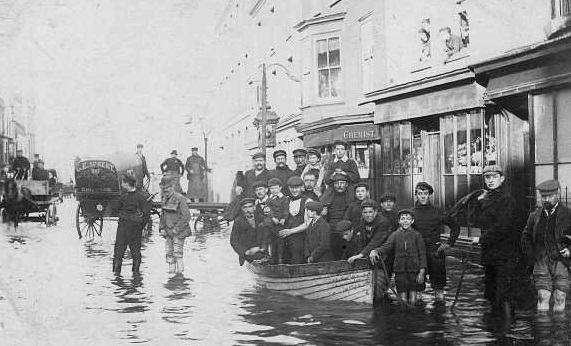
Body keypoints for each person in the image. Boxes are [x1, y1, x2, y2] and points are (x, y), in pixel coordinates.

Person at [474, 165, 519, 315]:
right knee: (491, 291)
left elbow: (502, 227)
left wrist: (481, 239)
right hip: (490, 254)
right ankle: (494, 329)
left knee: (504, 293)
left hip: (505, 254)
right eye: (487, 177)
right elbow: (475, 220)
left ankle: (507, 330)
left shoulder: (507, 200)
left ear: (502, 179)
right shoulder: (485, 198)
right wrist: (478, 203)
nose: (491, 180)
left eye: (494, 177)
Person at [521, 179, 571, 312]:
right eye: (543, 197)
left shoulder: (568, 215)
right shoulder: (535, 216)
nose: (546, 200)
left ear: (558, 194)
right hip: (541, 261)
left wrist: (570, 251)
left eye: (549, 196)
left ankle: (558, 330)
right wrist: (532, 257)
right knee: (543, 296)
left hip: (561, 262)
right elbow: (525, 237)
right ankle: (543, 331)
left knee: (560, 297)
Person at [412, 181, 460, 304]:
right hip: (416, 253)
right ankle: (417, 317)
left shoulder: (437, 211)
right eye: (420, 193)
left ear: (429, 195)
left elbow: (455, 226)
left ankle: (439, 317)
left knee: (439, 289)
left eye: (425, 193)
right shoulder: (410, 213)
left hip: (435, 252)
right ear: (416, 195)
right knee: (417, 290)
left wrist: (449, 243)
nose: (422, 196)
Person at [370, 209, 427, 306]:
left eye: (408, 219)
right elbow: (386, 247)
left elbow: (422, 254)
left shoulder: (417, 235)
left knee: (413, 298)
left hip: (414, 270)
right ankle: (402, 317)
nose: (405, 221)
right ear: (399, 221)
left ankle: (414, 317)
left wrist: (422, 272)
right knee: (402, 298)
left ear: (412, 221)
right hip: (400, 271)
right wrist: (376, 251)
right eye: (403, 219)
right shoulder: (395, 235)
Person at [113, 174, 152, 275]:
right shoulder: (139, 197)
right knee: (131, 252)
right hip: (131, 227)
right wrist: (140, 226)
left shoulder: (126, 197)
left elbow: (146, 214)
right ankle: (135, 278)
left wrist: (139, 226)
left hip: (125, 227)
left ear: (127, 184)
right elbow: (146, 215)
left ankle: (117, 278)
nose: (121, 184)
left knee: (121, 253)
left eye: (123, 183)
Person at [158, 175, 192, 275]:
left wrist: (176, 230)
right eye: (163, 188)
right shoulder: (164, 198)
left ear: (172, 186)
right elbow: (162, 215)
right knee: (169, 255)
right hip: (168, 232)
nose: (165, 190)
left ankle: (179, 277)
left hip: (179, 232)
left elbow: (186, 216)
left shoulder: (180, 198)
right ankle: (171, 275)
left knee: (178, 255)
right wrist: (161, 228)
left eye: (167, 188)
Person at [278, 176, 313, 264]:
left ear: (302, 187)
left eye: (297, 188)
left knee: (297, 260)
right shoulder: (286, 200)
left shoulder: (307, 201)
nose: (294, 190)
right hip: (287, 237)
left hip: (301, 237)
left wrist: (291, 231)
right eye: (292, 188)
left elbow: (307, 224)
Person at [347, 200, 392, 264]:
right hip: (369, 252)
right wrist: (358, 255)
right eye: (365, 212)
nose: (367, 215)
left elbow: (376, 241)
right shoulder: (362, 220)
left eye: (370, 212)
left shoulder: (383, 222)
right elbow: (362, 239)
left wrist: (361, 255)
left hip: (384, 253)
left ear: (375, 212)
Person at [321, 172, 353, 260]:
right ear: (333, 185)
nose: (339, 185)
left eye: (342, 183)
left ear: (346, 185)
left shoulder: (350, 197)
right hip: (331, 229)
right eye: (337, 183)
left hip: (346, 229)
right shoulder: (329, 196)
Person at [230, 198, 266, 266]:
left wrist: (261, 248)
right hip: (249, 251)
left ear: (254, 207)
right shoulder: (238, 221)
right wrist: (246, 252)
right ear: (242, 209)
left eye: (250, 206)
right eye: (244, 207)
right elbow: (234, 240)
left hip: (262, 249)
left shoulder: (262, 219)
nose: (247, 210)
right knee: (258, 257)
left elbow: (268, 236)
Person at [266, 178, 289, 264]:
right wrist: (272, 218)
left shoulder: (284, 199)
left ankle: (280, 259)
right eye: (271, 188)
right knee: (272, 241)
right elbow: (268, 210)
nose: (274, 190)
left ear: (280, 188)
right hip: (273, 223)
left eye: (275, 188)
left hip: (281, 224)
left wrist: (284, 218)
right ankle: (272, 258)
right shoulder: (269, 199)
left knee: (281, 241)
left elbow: (286, 210)